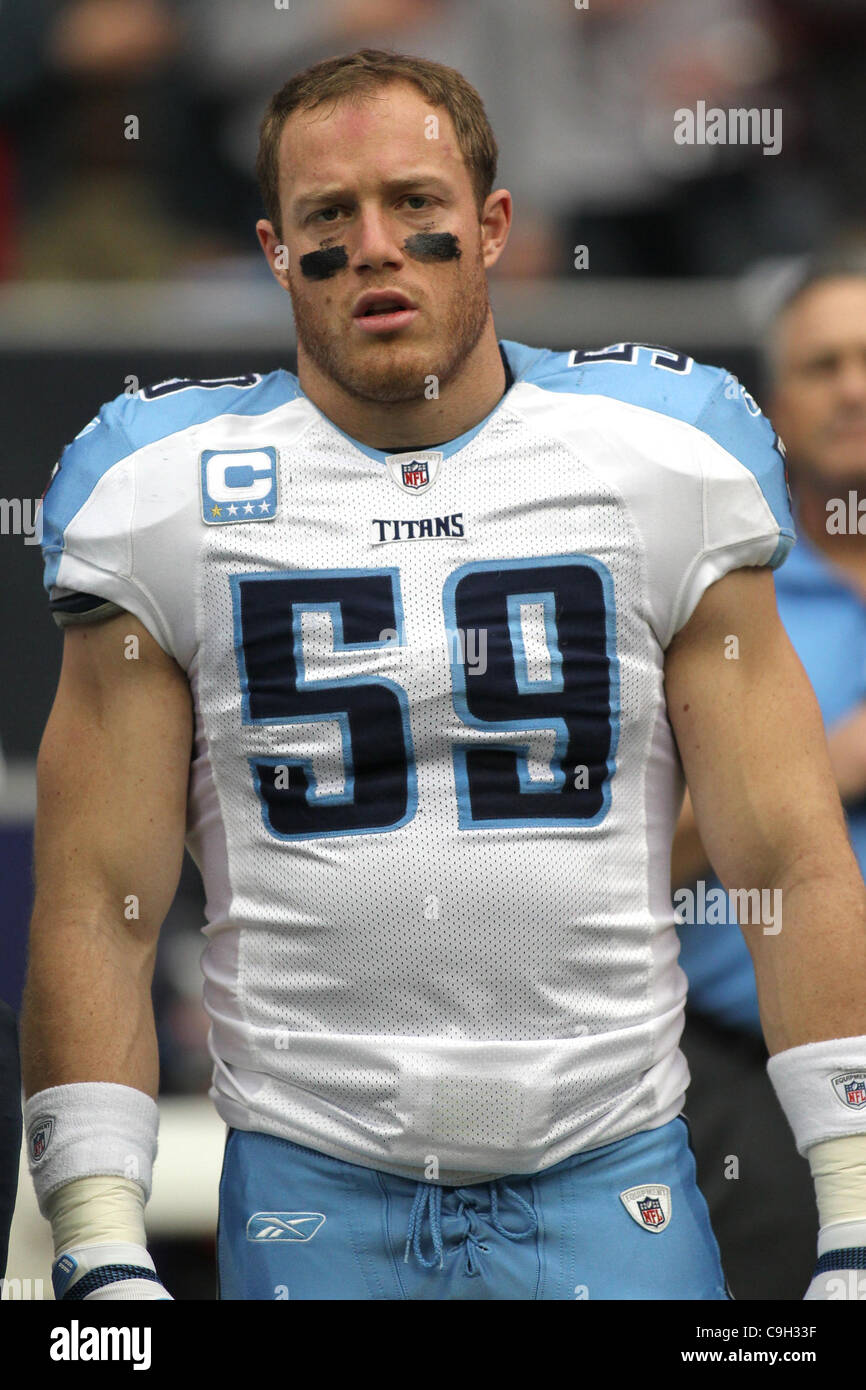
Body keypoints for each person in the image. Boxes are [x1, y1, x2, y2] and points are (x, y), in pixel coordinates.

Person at [22, 49, 866, 1301]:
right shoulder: (160, 492)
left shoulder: (659, 460)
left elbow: (784, 856)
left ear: (490, 225)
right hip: (312, 1189)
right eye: (328, 214)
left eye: (414, 204)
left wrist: (849, 1210)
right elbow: (98, 894)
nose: (374, 245)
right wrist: (97, 1238)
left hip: (610, 1176)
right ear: (271, 245)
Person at [674, 250, 866, 1299]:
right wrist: (817, 770)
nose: (851, 387)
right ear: (775, 409)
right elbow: (613, 854)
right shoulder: (716, 597)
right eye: (821, 364)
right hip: (749, 1090)